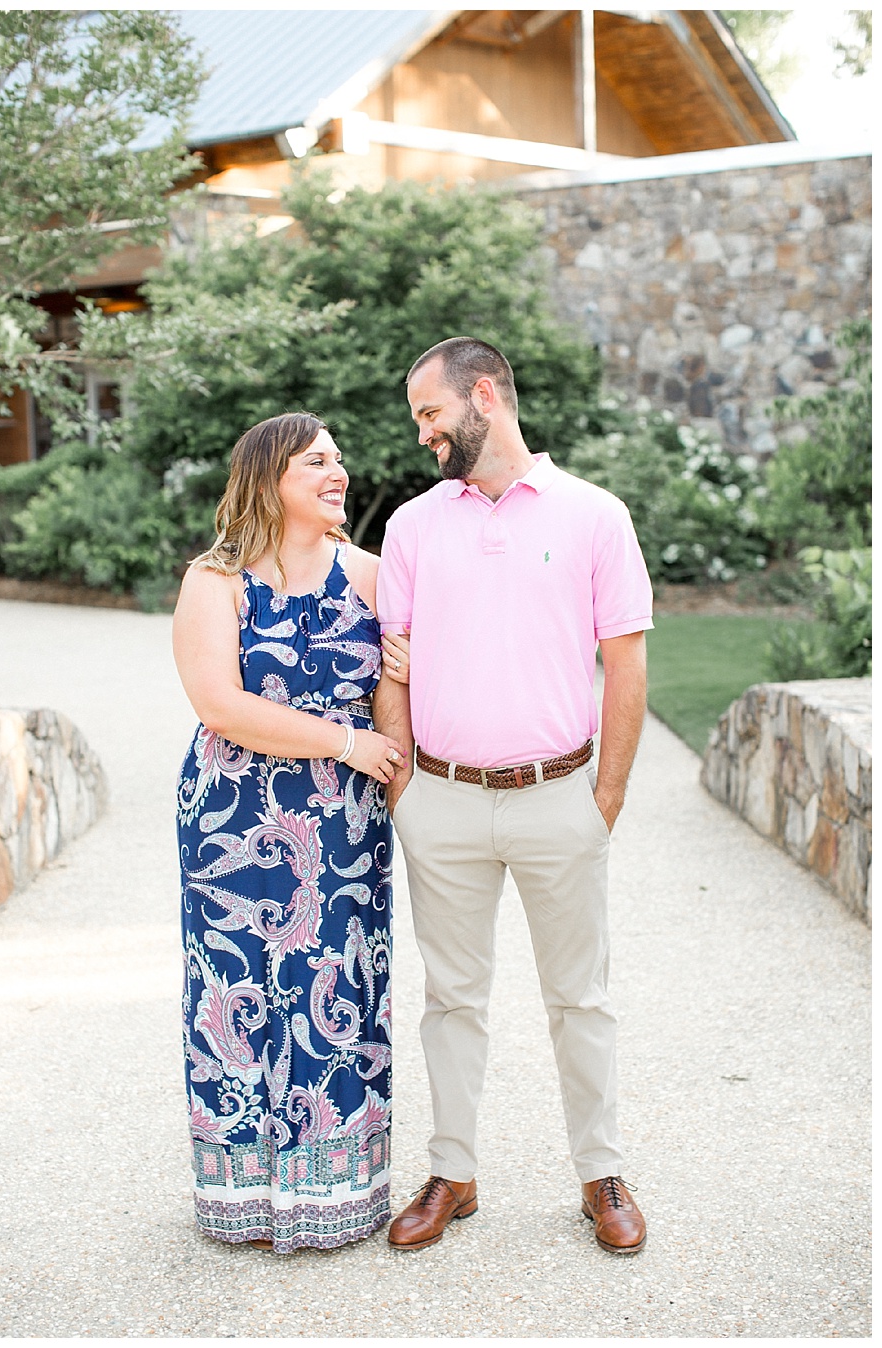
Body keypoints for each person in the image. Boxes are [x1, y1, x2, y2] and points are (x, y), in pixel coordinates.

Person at [371, 336, 652, 1256]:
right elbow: (394, 663)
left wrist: (603, 794)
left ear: (482, 395)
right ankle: (454, 1172)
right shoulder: (413, 526)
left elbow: (627, 660)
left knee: (581, 998)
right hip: (441, 802)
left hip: (558, 794)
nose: (423, 434)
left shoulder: (595, 515)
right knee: (451, 999)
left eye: (430, 414)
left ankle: (600, 1174)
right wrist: (407, 785)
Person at [172, 412, 412, 1252]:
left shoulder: (377, 576)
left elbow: (395, 706)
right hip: (232, 818)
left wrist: (393, 747)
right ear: (271, 476)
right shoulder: (216, 580)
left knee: (338, 988)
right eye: (317, 461)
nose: (337, 472)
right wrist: (348, 743)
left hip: (344, 826)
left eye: (340, 459)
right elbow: (221, 706)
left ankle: (338, 1188)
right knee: (237, 994)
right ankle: (243, 1190)